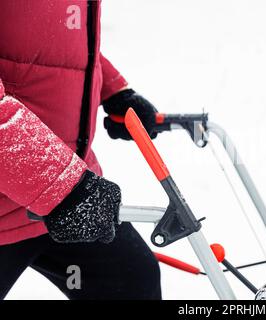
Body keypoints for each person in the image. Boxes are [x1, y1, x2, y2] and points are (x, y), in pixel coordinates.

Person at [0, 0, 161, 299]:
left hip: (65, 201)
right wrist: (61, 187)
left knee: (132, 282)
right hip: (47, 199)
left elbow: (52, 36)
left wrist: (113, 90)